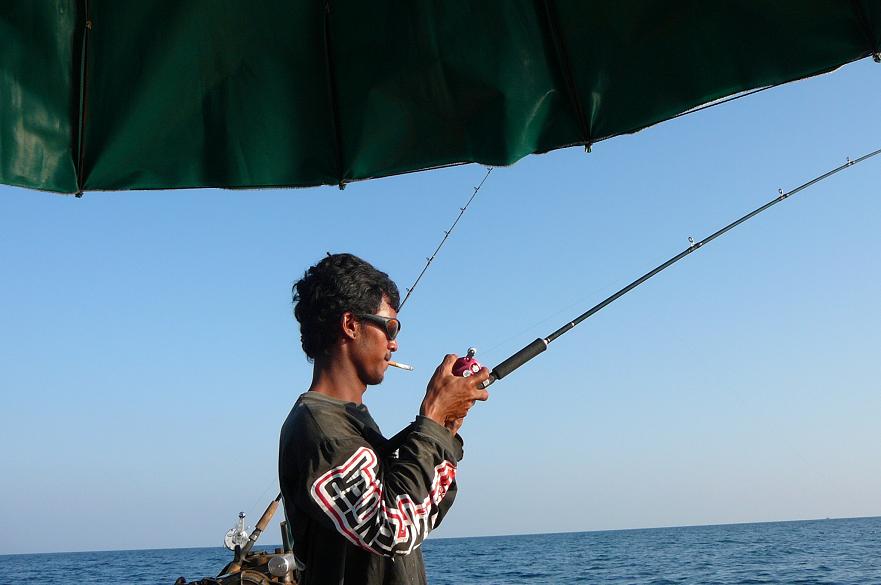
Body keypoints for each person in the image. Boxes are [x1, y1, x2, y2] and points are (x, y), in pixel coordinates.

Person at [279, 253, 489, 584]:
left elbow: (417, 516)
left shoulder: (351, 421)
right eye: (389, 327)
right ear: (350, 325)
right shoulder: (322, 429)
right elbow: (391, 532)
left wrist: (446, 428)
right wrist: (432, 420)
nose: (394, 343)